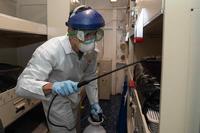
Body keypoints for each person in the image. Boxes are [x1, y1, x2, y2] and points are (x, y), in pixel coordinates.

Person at [15, 5, 105, 133]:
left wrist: (94, 102)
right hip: (56, 103)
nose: (90, 40)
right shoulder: (49, 50)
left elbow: (90, 77)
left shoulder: (92, 52)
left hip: (75, 99)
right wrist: (53, 86)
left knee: (74, 127)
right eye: (85, 34)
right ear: (70, 31)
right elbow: (21, 86)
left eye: (94, 34)